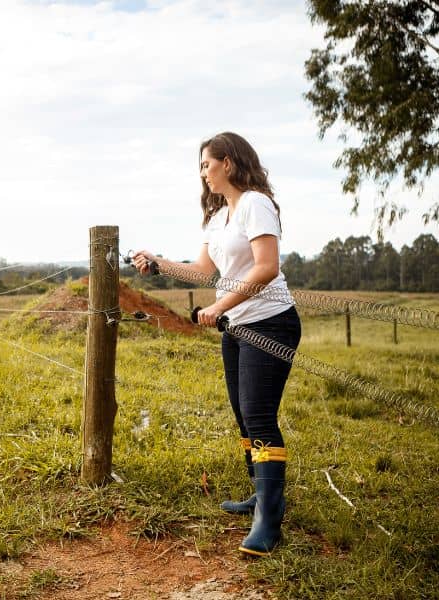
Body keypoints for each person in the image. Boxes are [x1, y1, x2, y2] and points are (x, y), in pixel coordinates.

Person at [133, 131, 301, 556]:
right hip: (237, 326)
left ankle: (269, 520)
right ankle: (261, 497)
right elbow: (204, 271)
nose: (203, 173)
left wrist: (219, 306)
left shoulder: (255, 205)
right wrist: (159, 261)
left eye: (207, 164)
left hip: (269, 322)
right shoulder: (219, 216)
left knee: (260, 417)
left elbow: (266, 268)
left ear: (228, 163)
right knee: (244, 417)